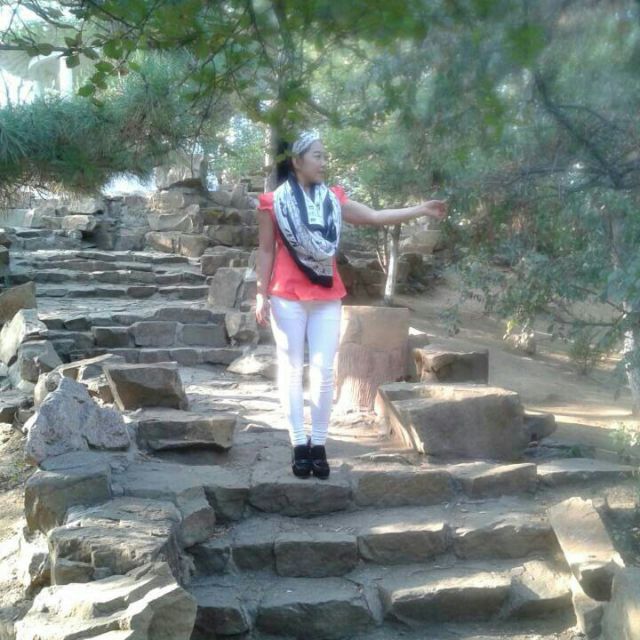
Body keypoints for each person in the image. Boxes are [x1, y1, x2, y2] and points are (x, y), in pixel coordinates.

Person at [255, 130, 447, 480]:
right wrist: (260, 294)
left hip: (326, 295)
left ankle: (318, 444)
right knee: (291, 369)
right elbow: (266, 251)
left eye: (324, 156)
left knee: (324, 371)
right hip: (285, 295)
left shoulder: (333, 200)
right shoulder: (272, 203)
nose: (324, 162)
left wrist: (419, 209)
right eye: (318, 156)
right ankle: (298, 444)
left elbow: (374, 216)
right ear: (297, 161)